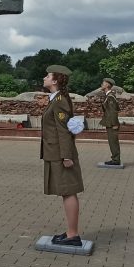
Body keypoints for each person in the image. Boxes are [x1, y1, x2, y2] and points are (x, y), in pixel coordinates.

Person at [40, 64, 84, 247]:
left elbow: (63, 130)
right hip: (56, 152)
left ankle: (73, 235)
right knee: (66, 192)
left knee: (68, 191)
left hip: (61, 154)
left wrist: (66, 156)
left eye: (48, 76)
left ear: (55, 80)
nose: (44, 78)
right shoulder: (56, 99)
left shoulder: (59, 101)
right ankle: (70, 232)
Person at [99, 78, 121, 166]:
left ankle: (116, 160)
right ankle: (115, 158)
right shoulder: (108, 96)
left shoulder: (110, 97)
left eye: (103, 83)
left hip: (112, 123)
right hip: (110, 123)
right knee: (112, 142)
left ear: (107, 85)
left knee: (113, 142)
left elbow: (113, 111)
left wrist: (115, 124)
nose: (101, 85)